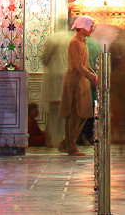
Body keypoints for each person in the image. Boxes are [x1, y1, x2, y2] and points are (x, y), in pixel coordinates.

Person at [59, 16, 98, 155]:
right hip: (75, 82)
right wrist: (93, 77)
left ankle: (66, 143)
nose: (92, 29)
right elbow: (78, 65)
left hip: (82, 81)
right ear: (82, 27)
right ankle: (71, 146)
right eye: (90, 26)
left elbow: (85, 64)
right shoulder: (74, 42)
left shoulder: (83, 41)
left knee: (83, 113)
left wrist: (94, 75)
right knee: (74, 114)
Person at [41, 20, 70, 149]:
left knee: (53, 113)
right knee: (66, 113)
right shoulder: (71, 39)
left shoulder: (52, 39)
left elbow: (45, 58)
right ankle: (64, 141)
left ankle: (53, 141)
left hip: (53, 78)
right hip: (67, 77)